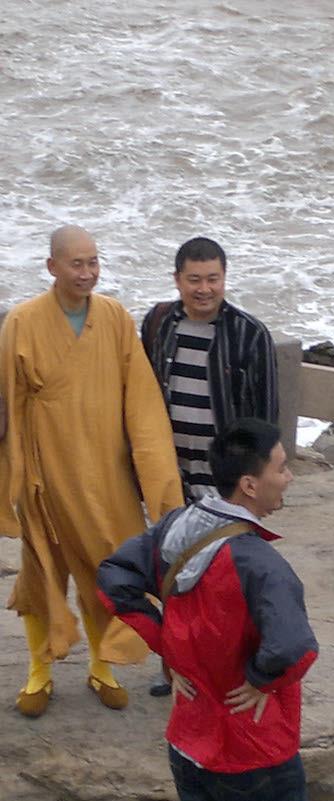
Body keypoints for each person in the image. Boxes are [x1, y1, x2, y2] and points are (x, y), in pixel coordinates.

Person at [98, 418, 318, 801]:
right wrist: (261, 679)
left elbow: (113, 576)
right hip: (254, 747)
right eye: (281, 468)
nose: (288, 478)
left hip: (188, 741)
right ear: (249, 485)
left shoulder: (176, 529)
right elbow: (294, 646)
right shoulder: (260, 563)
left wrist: (167, 644)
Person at [0, 225, 183, 717]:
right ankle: (39, 673)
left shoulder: (115, 318)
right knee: (42, 569)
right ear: (52, 267)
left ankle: (102, 666)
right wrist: (12, 480)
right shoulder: (22, 321)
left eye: (93, 262)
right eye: (77, 264)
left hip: (105, 471)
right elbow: (8, 408)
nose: (87, 273)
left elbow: (142, 403)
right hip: (46, 472)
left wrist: (158, 482)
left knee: (109, 565)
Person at [141, 236, 279, 696]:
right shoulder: (159, 324)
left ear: (225, 278)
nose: (204, 289)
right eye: (194, 279)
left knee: (225, 583)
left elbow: (266, 419)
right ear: (177, 280)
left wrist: (258, 485)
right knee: (174, 573)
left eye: (213, 279)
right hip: (171, 473)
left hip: (225, 486)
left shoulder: (249, 334)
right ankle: (177, 668)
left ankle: (229, 667)